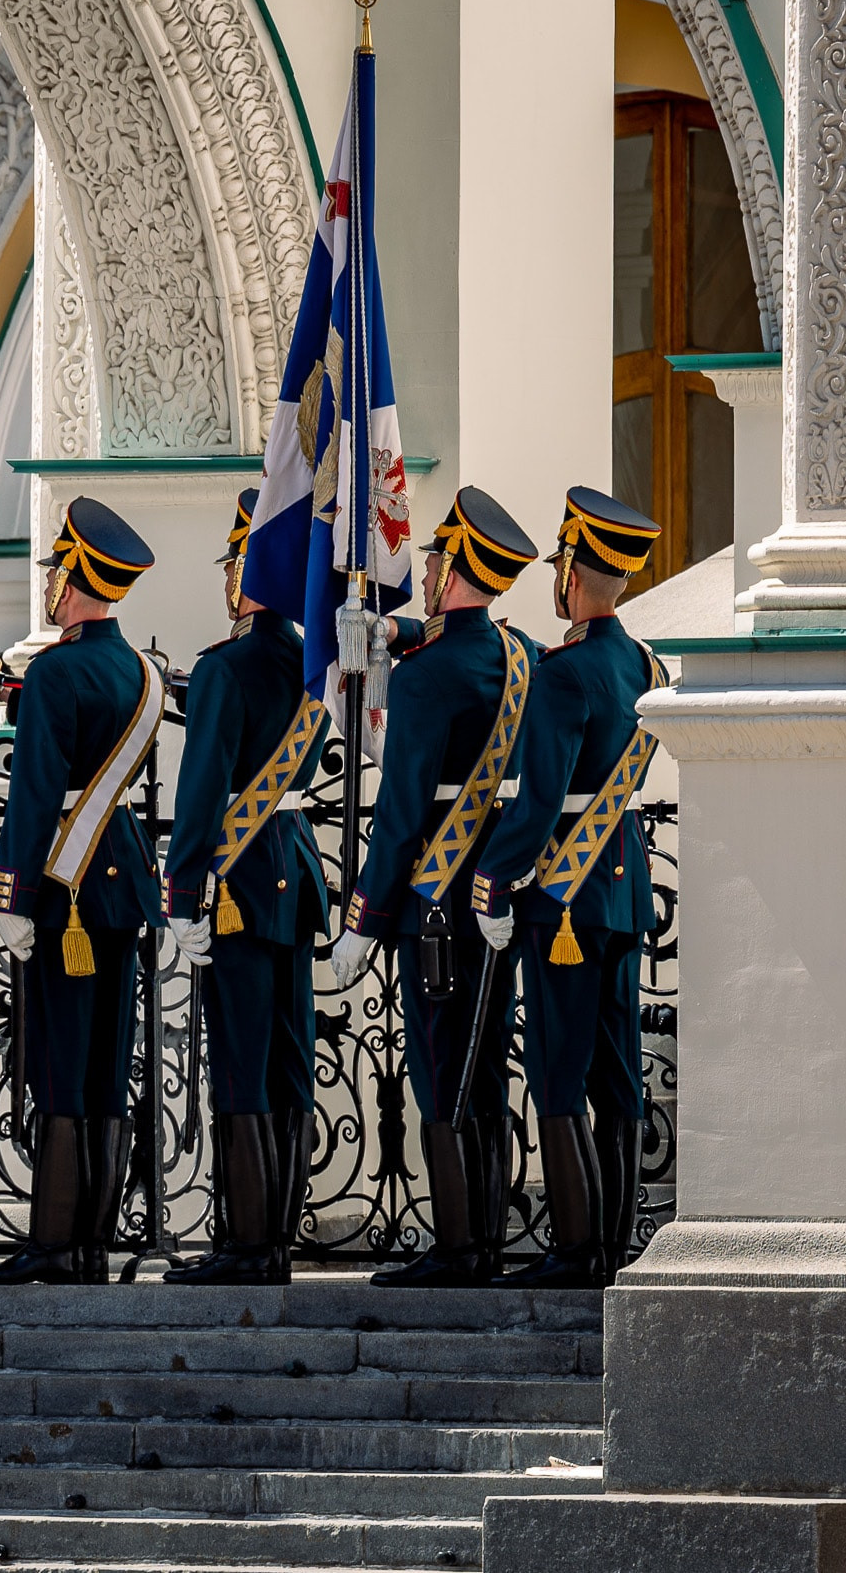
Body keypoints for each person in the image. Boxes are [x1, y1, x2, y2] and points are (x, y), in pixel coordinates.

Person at [333, 487, 539, 1288]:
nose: (422, 571)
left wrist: (364, 916)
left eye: (431, 560)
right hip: (495, 897)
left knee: (439, 1068)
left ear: (452, 566)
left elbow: (400, 812)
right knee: (485, 1068)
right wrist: (393, 629)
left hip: (434, 908)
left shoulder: (422, 682)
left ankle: (457, 1247)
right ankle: (485, 1237)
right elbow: (462, 638)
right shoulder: (516, 658)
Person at [471, 487, 666, 1289]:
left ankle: (577, 1248)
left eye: (560, 563)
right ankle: (614, 1244)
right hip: (621, 888)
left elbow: (541, 800)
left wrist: (492, 877)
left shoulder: (564, 672)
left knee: (556, 1068)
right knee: (617, 1075)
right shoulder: (643, 663)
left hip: (564, 899)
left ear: (574, 575)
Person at [0, 496, 164, 1287]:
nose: (51, 581)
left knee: (55, 1063)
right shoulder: (139, 671)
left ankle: (52, 1242)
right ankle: (93, 1240)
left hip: (66, 891)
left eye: (57, 569)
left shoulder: (55, 670)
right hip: (121, 887)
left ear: (75, 578)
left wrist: (11, 895)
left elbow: (36, 791)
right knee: (105, 1067)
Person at [162, 490, 329, 1285]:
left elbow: (200, 794)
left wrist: (183, 891)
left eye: (235, 564)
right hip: (292, 873)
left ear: (246, 572)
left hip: (236, 879)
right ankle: (278, 1238)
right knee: (288, 1062)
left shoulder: (224, 668)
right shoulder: (311, 663)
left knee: (239, 1064)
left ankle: (246, 1244)